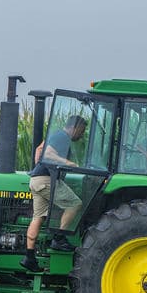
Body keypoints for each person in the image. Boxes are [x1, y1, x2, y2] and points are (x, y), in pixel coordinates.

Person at [21, 115, 86, 272]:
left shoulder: (54, 134)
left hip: (35, 179)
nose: (82, 134)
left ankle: (29, 257)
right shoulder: (63, 136)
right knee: (75, 204)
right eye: (82, 131)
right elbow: (48, 154)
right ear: (75, 127)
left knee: (39, 217)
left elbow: (39, 151)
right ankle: (58, 238)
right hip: (46, 179)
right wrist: (68, 163)